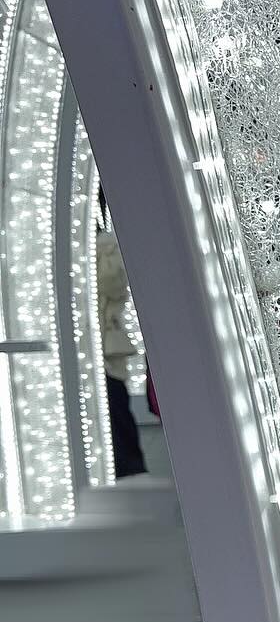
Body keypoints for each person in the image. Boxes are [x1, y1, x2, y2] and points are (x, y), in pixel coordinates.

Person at [94, 189, 146, 478]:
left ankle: (129, 467)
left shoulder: (107, 248)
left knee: (115, 403)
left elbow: (114, 285)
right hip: (95, 342)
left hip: (105, 344)